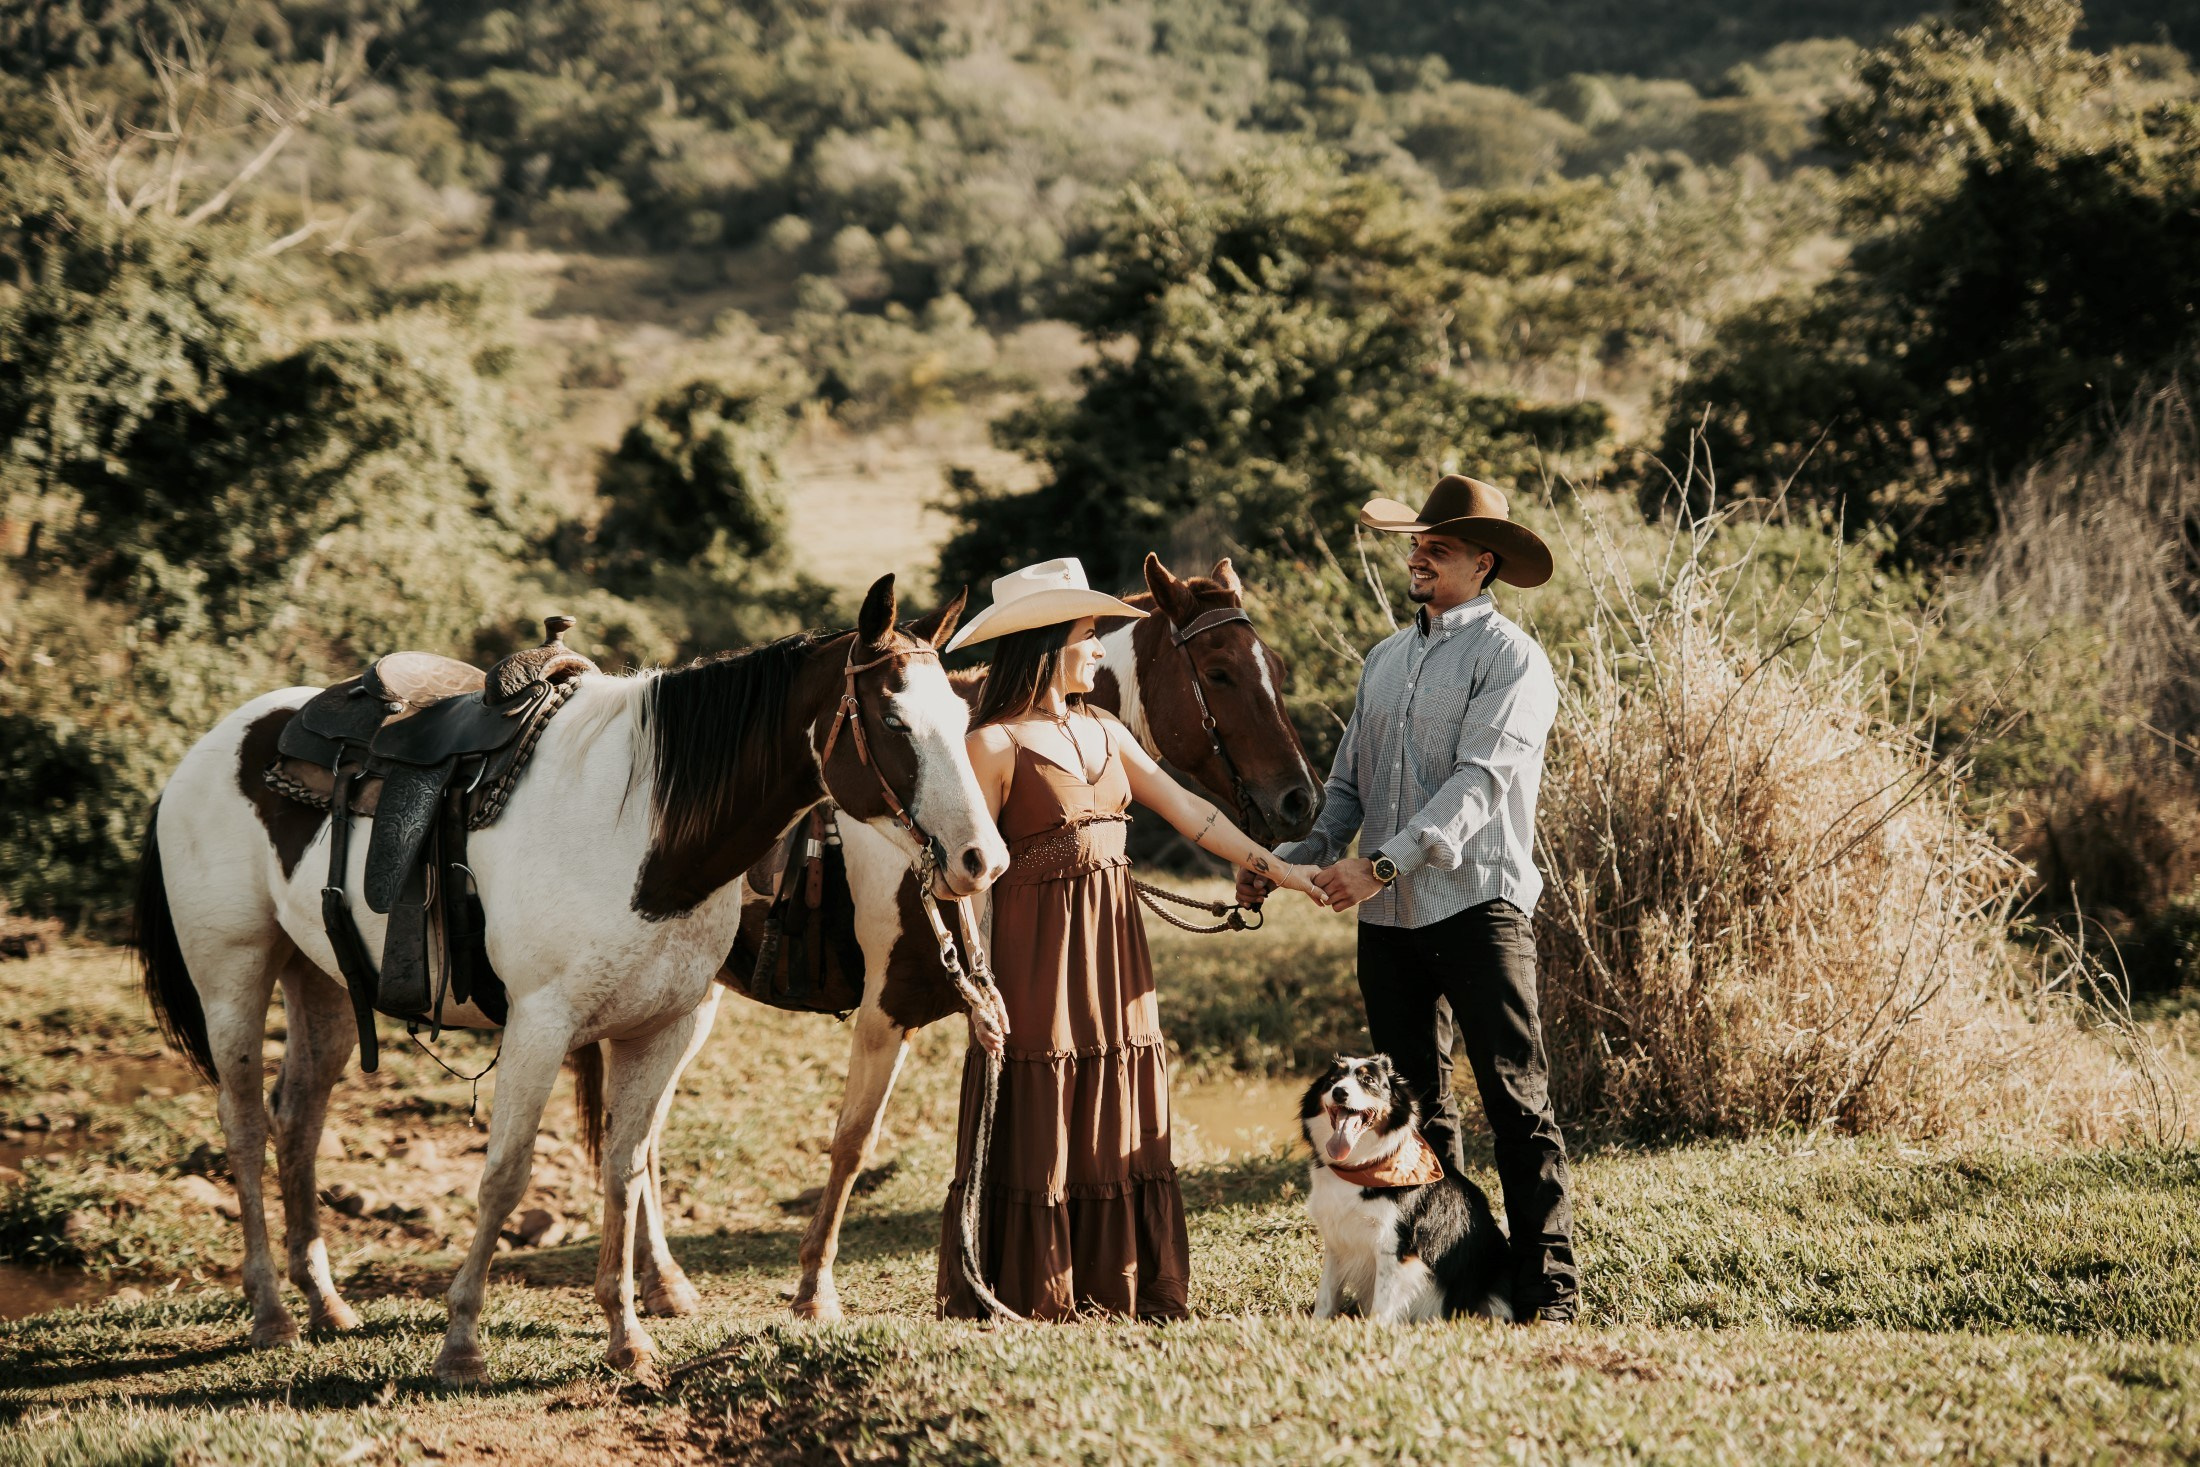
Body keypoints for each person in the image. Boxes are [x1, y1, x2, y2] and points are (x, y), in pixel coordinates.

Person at [936, 557, 1328, 1321]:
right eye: (1087, 635)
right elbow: (957, 879)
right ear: (1049, 644)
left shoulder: (1109, 732)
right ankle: (1035, 1285)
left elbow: (1194, 813)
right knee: (1044, 1097)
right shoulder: (991, 746)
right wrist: (974, 985)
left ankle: (1123, 1283)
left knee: (1118, 1098)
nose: (1099, 648)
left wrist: (1278, 869)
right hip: (1034, 955)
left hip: (1112, 948)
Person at [1241, 475, 1579, 1324]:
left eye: (1439, 546)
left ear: (1484, 562)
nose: (1418, 556)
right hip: (1388, 923)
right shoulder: (1385, 659)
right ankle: (1443, 1285)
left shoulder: (1512, 660)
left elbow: (1480, 784)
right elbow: (1346, 791)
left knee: (1516, 1103)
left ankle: (1551, 1295)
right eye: (1417, 543)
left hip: (1479, 907)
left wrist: (1379, 867)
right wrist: (1285, 857)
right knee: (1415, 1121)